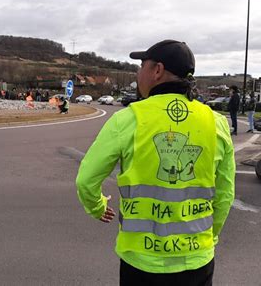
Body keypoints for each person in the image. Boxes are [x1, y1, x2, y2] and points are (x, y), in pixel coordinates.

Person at [75, 40, 235, 285]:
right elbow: (225, 194)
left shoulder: (128, 119)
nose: (139, 73)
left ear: (157, 70)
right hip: (197, 260)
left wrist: (97, 207)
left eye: (142, 66)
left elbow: (86, 180)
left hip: (141, 262)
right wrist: (208, 238)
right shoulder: (216, 122)